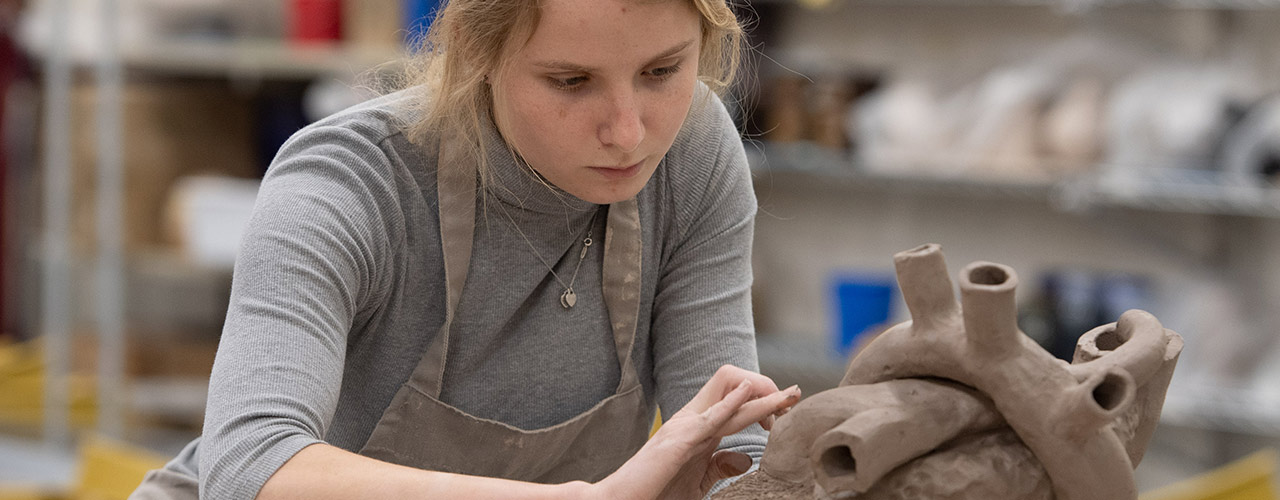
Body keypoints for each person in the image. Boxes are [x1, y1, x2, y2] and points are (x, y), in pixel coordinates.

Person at [130, 0, 800, 498]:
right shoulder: (350, 182)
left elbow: (731, 443)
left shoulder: (693, 155)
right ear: (477, 52)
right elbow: (249, 467)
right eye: (571, 81)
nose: (628, 133)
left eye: (662, 71)